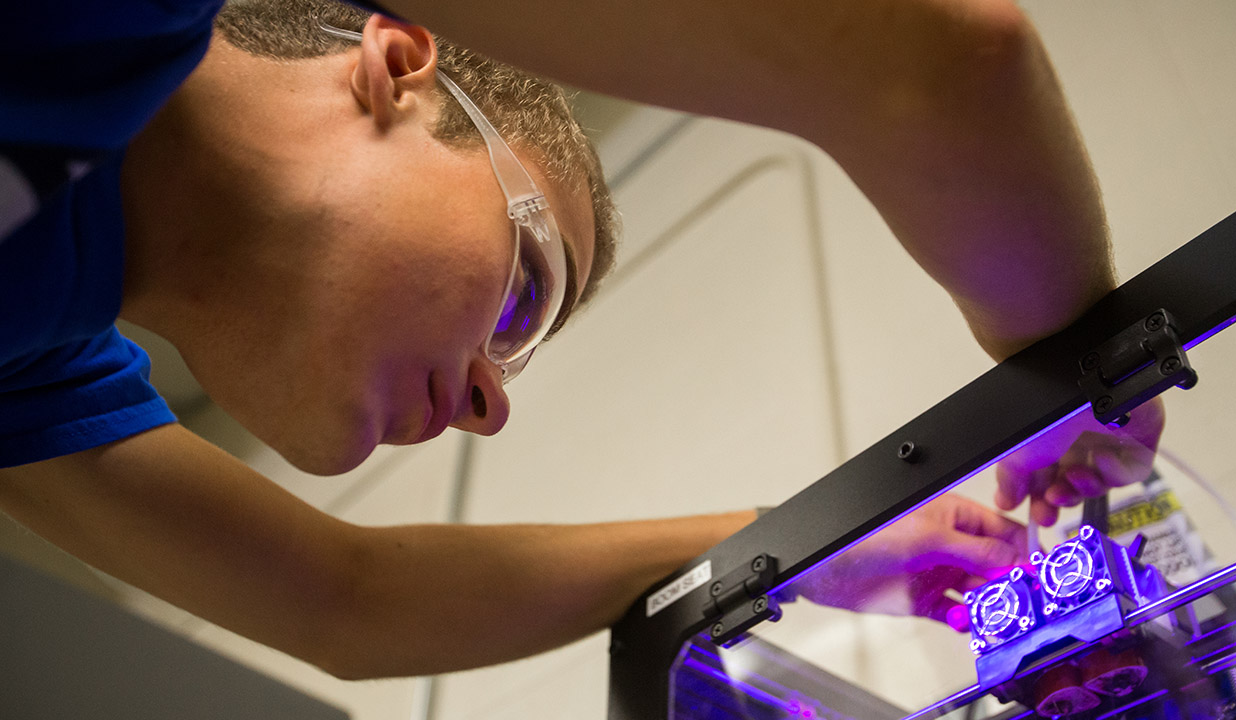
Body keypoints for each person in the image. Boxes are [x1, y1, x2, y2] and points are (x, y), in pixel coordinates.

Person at [0, 0, 1162, 679]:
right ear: (398, 70)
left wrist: (819, 544)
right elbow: (925, 54)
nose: (490, 408)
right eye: (521, 297)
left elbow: (343, 602)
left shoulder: (26, 372)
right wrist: (1078, 372)